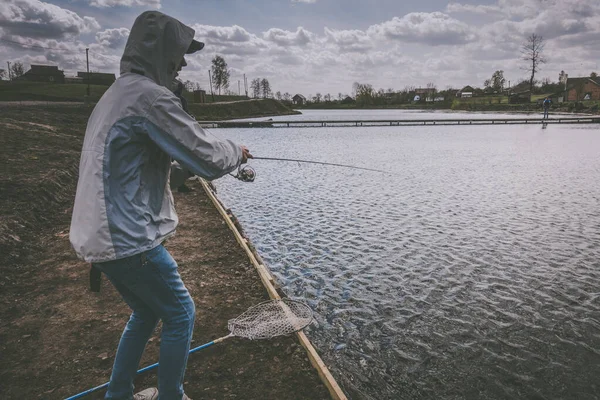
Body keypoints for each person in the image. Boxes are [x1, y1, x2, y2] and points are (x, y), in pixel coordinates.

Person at [69, 10, 252, 400]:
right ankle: (171, 395)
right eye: (181, 52)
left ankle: (118, 394)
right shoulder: (150, 98)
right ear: (160, 51)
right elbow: (206, 157)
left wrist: (184, 170)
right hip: (127, 239)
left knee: (147, 311)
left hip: (103, 237)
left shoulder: (118, 94)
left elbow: (139, 166)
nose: (184, 62)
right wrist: (238, 150)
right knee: (181, 314)